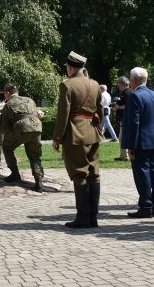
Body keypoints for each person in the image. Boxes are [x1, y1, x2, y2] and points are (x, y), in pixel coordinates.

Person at [52, 51, 104, 229]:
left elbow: (63, 115)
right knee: (94, 174)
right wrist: (99, 128)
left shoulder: (67, 85)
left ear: (70, 67)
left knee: (79, 174)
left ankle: (83, 217)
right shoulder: (95, 84)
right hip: (93, 132)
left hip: (75, 134)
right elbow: (100, 110)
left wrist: (57, 138)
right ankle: (93, 217)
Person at [122, 67, 154, 218]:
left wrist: (131, 146)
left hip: (140, 142)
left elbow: (134, 124)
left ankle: (146, 206)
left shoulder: (134, 96)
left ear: (132, 80)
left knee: (142, 174)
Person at [0, 84, 44, 191]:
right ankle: (39, 181)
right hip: (37, 127)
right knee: (34, 155)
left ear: (7, 93)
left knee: (7, 147)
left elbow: (3, 126)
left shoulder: (8, 104)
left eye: (5, 93)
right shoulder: (29, 100)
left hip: (21, 128)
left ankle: (15, 174)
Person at [114, 77, 131, 161]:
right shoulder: (125, 92)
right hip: (124, 118)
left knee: (122, 138)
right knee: (122, 137)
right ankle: (123, 156)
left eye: (118, 84)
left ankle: (124, 156)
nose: (118, 85)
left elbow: (129, 106)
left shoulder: (127, 93)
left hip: (126, 118)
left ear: (122, 84)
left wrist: (119, 107)